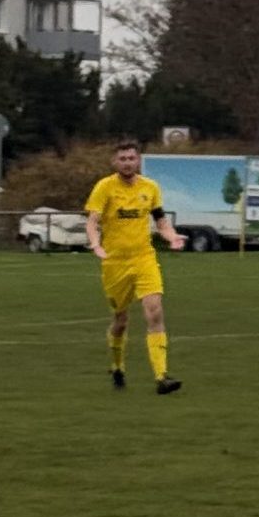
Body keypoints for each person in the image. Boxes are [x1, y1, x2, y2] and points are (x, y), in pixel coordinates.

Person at [85, 139, 185, 394]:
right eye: (123, 159)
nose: (127, 163)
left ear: (138, 160)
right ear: (114, 162)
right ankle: (117, 366)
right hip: (115, 263)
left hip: (144, 259)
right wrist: (96, 243)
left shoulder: (150, 188)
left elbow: (161, 221)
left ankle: (162, 377)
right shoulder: (104, 188)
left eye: (132, 158)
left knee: (154, 312)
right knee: (120, 321)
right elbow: (92, 221)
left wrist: (171, 236)